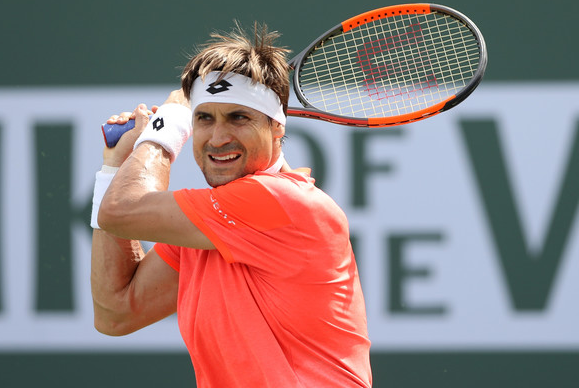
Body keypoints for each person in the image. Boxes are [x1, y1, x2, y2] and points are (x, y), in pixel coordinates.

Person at [90, 23, 372, 388]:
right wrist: (114, 167)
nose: (219, 137)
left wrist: (165, 126)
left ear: (277, 128)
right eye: (204, 118)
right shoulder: (209, 222)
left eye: (239, 117)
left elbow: (121, 210)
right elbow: (116, 312)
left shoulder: (282, 200)